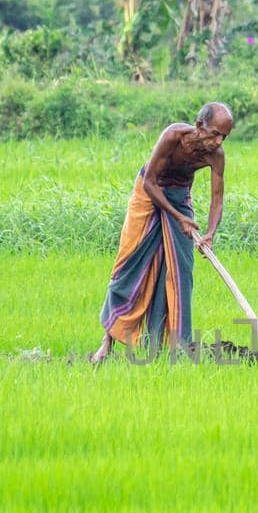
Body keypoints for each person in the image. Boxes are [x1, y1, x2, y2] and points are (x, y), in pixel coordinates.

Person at [90, 102, 231, 364]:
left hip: (178, 197)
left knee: (180, 271)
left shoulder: (216, 155)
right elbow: (149, 181)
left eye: (224, 136)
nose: (218, 141)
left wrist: (210, 233)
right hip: (148, 192)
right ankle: (106, 343)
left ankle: (177, 348)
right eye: (214, 134)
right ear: (200, 126)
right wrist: (179, 218)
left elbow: (217, 198)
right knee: (128, 265)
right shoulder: (173, 137)